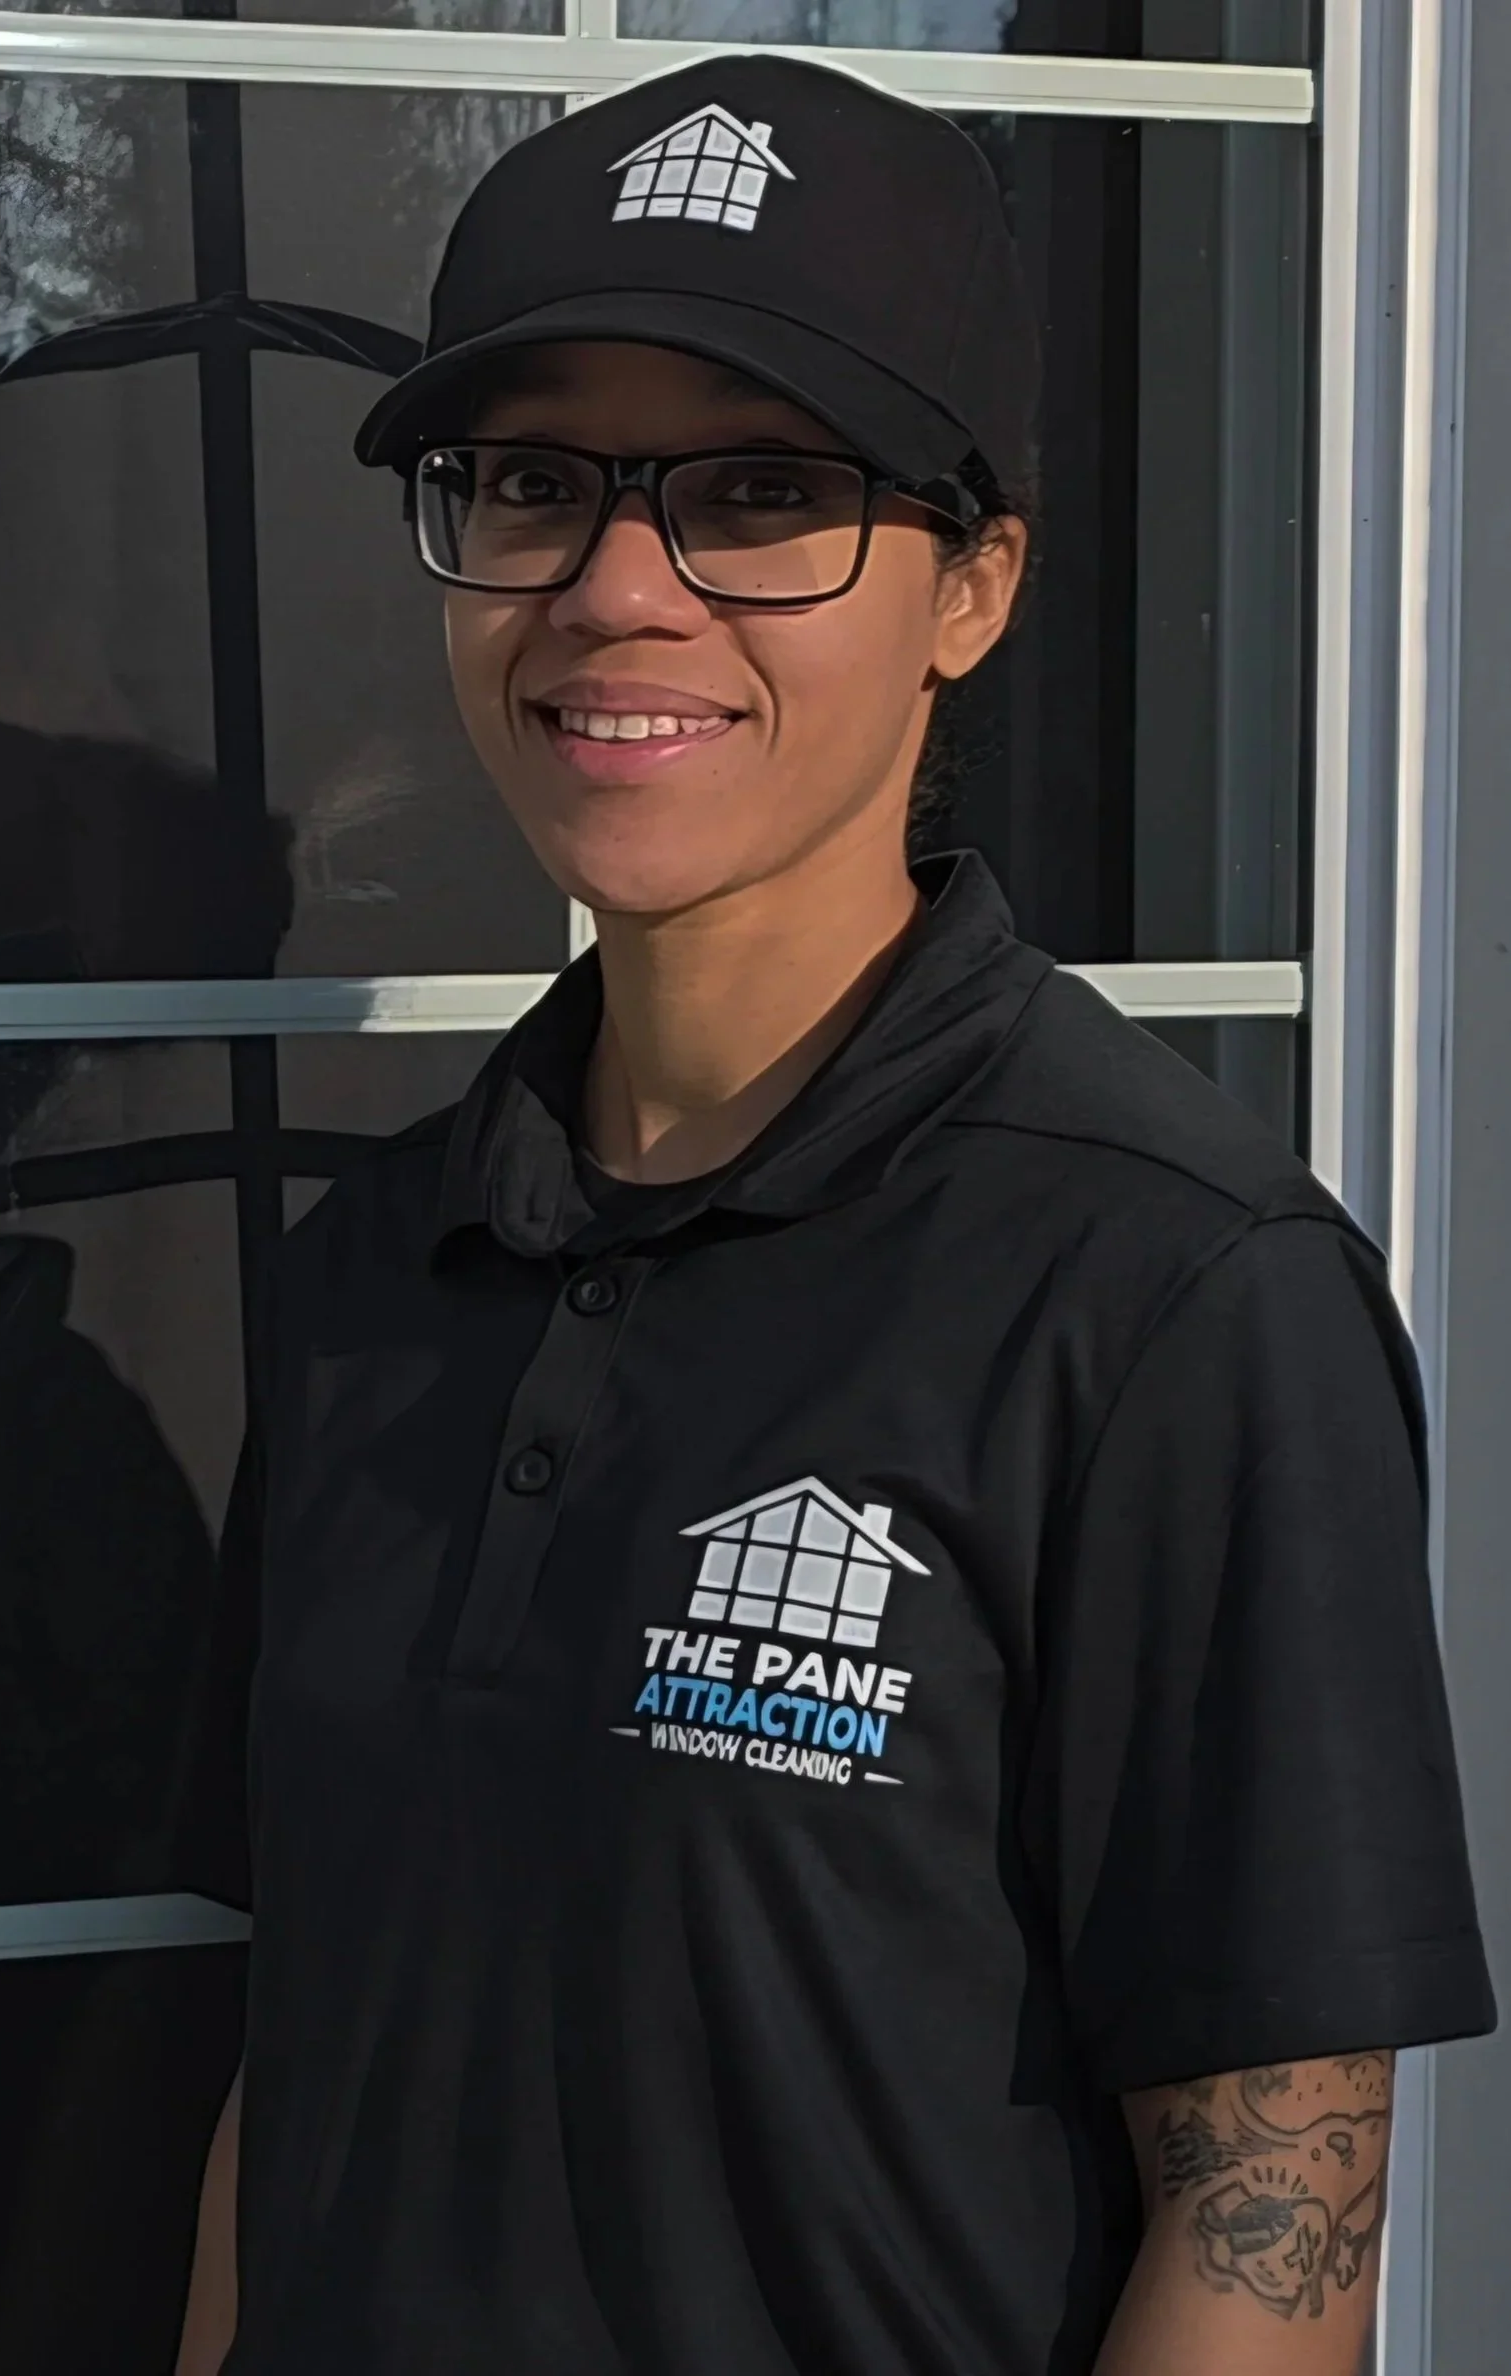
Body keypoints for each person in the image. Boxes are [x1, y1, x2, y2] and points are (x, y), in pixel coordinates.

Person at [177, 54, 1494, 2376]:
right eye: (535, 484)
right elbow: (301, 2058)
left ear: (975, 584)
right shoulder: (374, 1276)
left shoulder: (1173, 1295)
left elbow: (1267, 2227)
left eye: (761, 492)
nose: (616, 592)